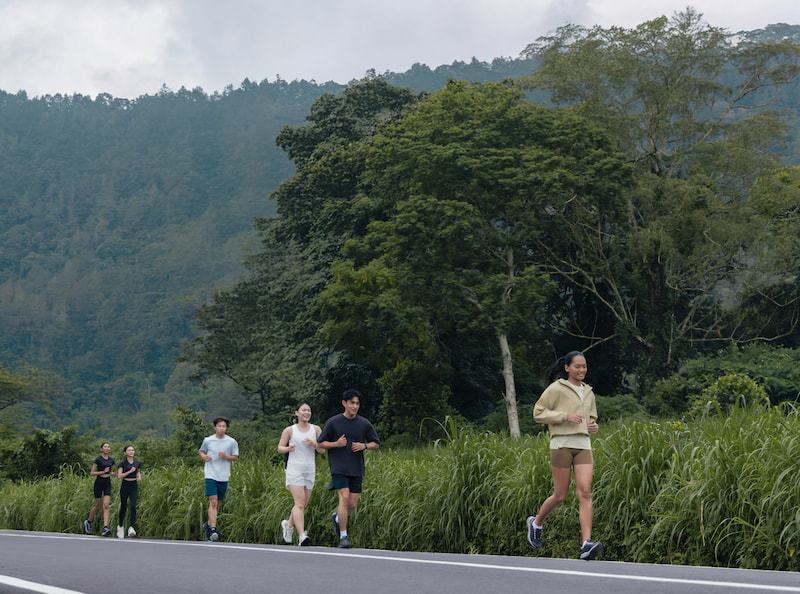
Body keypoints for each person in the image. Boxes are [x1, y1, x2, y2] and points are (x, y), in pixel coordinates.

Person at [526, 351, 603, 560]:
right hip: (561, 443)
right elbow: (538, 413)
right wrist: (565, 416)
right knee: (560, 495)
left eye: (584, 366)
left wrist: (593, 425)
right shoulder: (556, 388)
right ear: (567, 368)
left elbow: (592, 418)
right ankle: (536, 523)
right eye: (577, 366)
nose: (582, 370)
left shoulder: (589, 391)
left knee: (585, 492)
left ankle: (586, 544)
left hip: (583, 444)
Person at [317, 389, 380, 549]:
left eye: (357, 403)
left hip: (356, 468)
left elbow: (376, 444)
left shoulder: (364, 423)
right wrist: (336, 444)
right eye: (352, 403)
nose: (355, 406)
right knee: (343, 498)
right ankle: (344, 536)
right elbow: (320, 443)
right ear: (344, 403)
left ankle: (338, 519)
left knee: (352, 504)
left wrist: (364, 446)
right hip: (338, 467)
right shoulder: (333, 422)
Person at [277, 403, 324, 546]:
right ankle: (302, 535)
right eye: (304, 410)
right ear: (297, 413)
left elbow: (322, 450)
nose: (307, 412)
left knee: (303, 504)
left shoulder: (316, 429)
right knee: (299, 503)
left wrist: (314, 444)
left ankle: (288, 525)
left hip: (309, 469)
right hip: (294, 469)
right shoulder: (289, 430)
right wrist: (288, 448)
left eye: (309, 410)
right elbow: (280, 448)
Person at [198, 416, 239, 542]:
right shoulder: (208, 440)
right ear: (215, 427)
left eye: (224, 426)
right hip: (210, 474)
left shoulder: (231, 441)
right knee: (213, 502)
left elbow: (236, 457)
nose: (222, 428)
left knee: (218, 504)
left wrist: (226, 456)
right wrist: (204, 456)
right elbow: (201, 451)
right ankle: (213, 529)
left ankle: (208, 525)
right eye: (219, 426)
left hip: (224, 475)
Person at [84, 442, 115, 537]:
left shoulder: (111, 460)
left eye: (108, 447)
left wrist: (112, 474)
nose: (107, 448)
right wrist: (103, 472)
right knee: (98, 506)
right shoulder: (98, 459)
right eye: (105, 447)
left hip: (107, 483)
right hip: (98, 483)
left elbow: (110, 471)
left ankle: (106, 527)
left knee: (106, 505)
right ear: (101, 449)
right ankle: (88, 521)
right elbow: (92, 473)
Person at [116, 445, 142, 539]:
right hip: (125, 485)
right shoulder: (123, 463)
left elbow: (138, 471)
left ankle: (131, 527)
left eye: (132, 450)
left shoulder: (137, 462)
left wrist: (139, 476)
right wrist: (130, 471)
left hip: (134, 485)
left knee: (133, 506)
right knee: (123, 506)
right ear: (125, 452)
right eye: (129, 450)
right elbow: (119, 476)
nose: (131, 452)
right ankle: (120, 526)